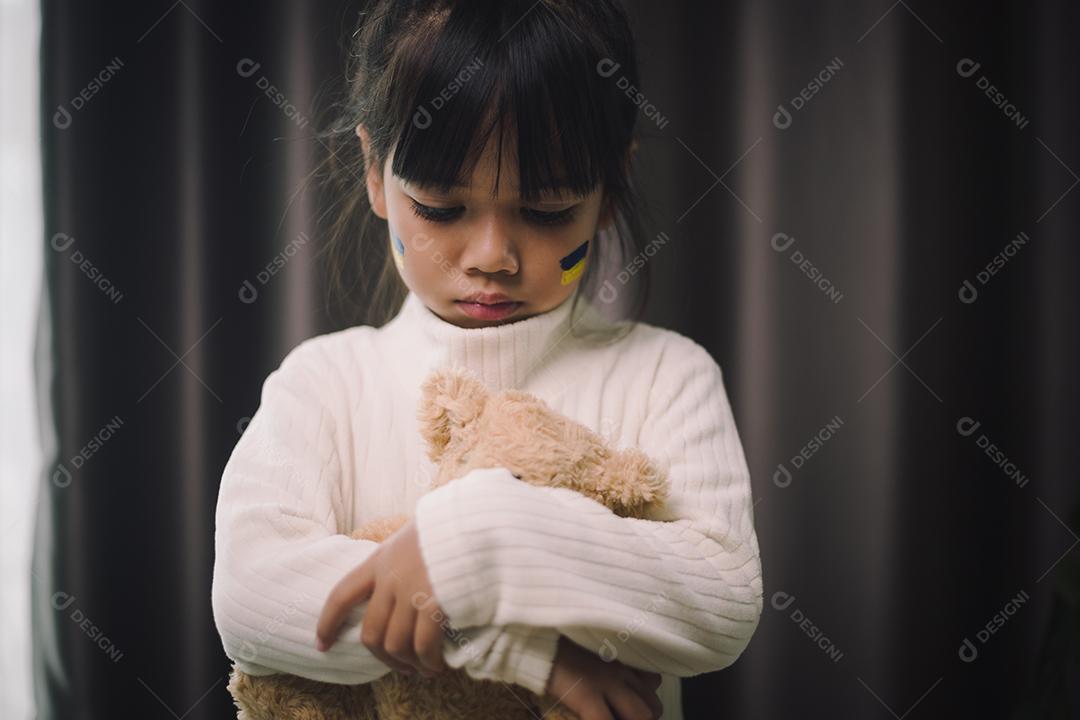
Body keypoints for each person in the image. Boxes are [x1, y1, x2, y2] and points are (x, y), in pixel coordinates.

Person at [210, 1, 763, 719]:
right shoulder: (324, 384)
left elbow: (721, 603)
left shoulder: (666, 376)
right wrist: (522, 652)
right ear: (377, 172)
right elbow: (253, 599)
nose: (491, 257)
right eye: (442, 209)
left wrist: (486, 536)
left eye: (548, 209)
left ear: (609, 190)